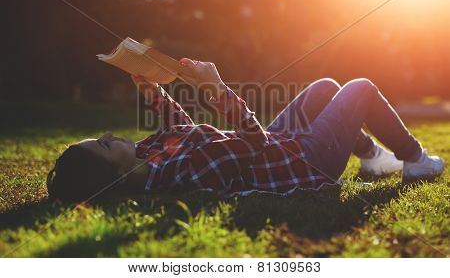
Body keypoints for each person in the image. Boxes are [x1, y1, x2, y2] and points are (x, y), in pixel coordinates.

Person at [46, 58, 445, 202]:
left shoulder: (148, 155)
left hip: (281, 143)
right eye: (103, 145)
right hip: (307, 162)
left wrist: (148, 88)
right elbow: (252, 140)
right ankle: (416, 160)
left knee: (324, 88)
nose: (109, 135)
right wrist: (216, 89)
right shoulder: (183, 174)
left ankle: (372, 157)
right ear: (113, 173)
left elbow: (180, 127)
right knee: (360, 88)